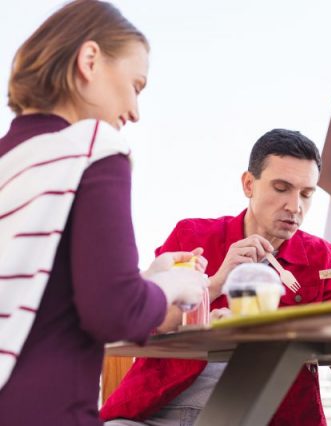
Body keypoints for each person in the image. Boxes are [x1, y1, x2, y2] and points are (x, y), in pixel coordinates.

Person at [0, 1, 208, 425]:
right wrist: (175, 284)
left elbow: (42, 295)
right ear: (90, 60)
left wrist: (144, 279)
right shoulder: (93, 148)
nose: (135, 112)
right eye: (136, 85)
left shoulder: (9, 161)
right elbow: (114, 313)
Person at [101, 129, 331, 425]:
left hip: (266, 417)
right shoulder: (192, 236)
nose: (295, 206)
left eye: (306, 194)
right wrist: (217, 282)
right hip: (163, 410)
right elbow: (147, 323)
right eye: (281, 188)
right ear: (249, 184)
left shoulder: (321, 257)